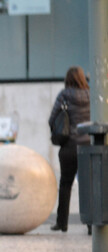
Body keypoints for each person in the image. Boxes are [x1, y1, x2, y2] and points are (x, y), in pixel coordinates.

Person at [48, 66, 90, 233]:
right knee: (88, 186)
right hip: (89, 146)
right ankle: (91, 225)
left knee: (66, 184)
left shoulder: (64, 95)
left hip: (69, 147)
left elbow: (52, 119)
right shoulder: (91, 95)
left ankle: (62, 223)